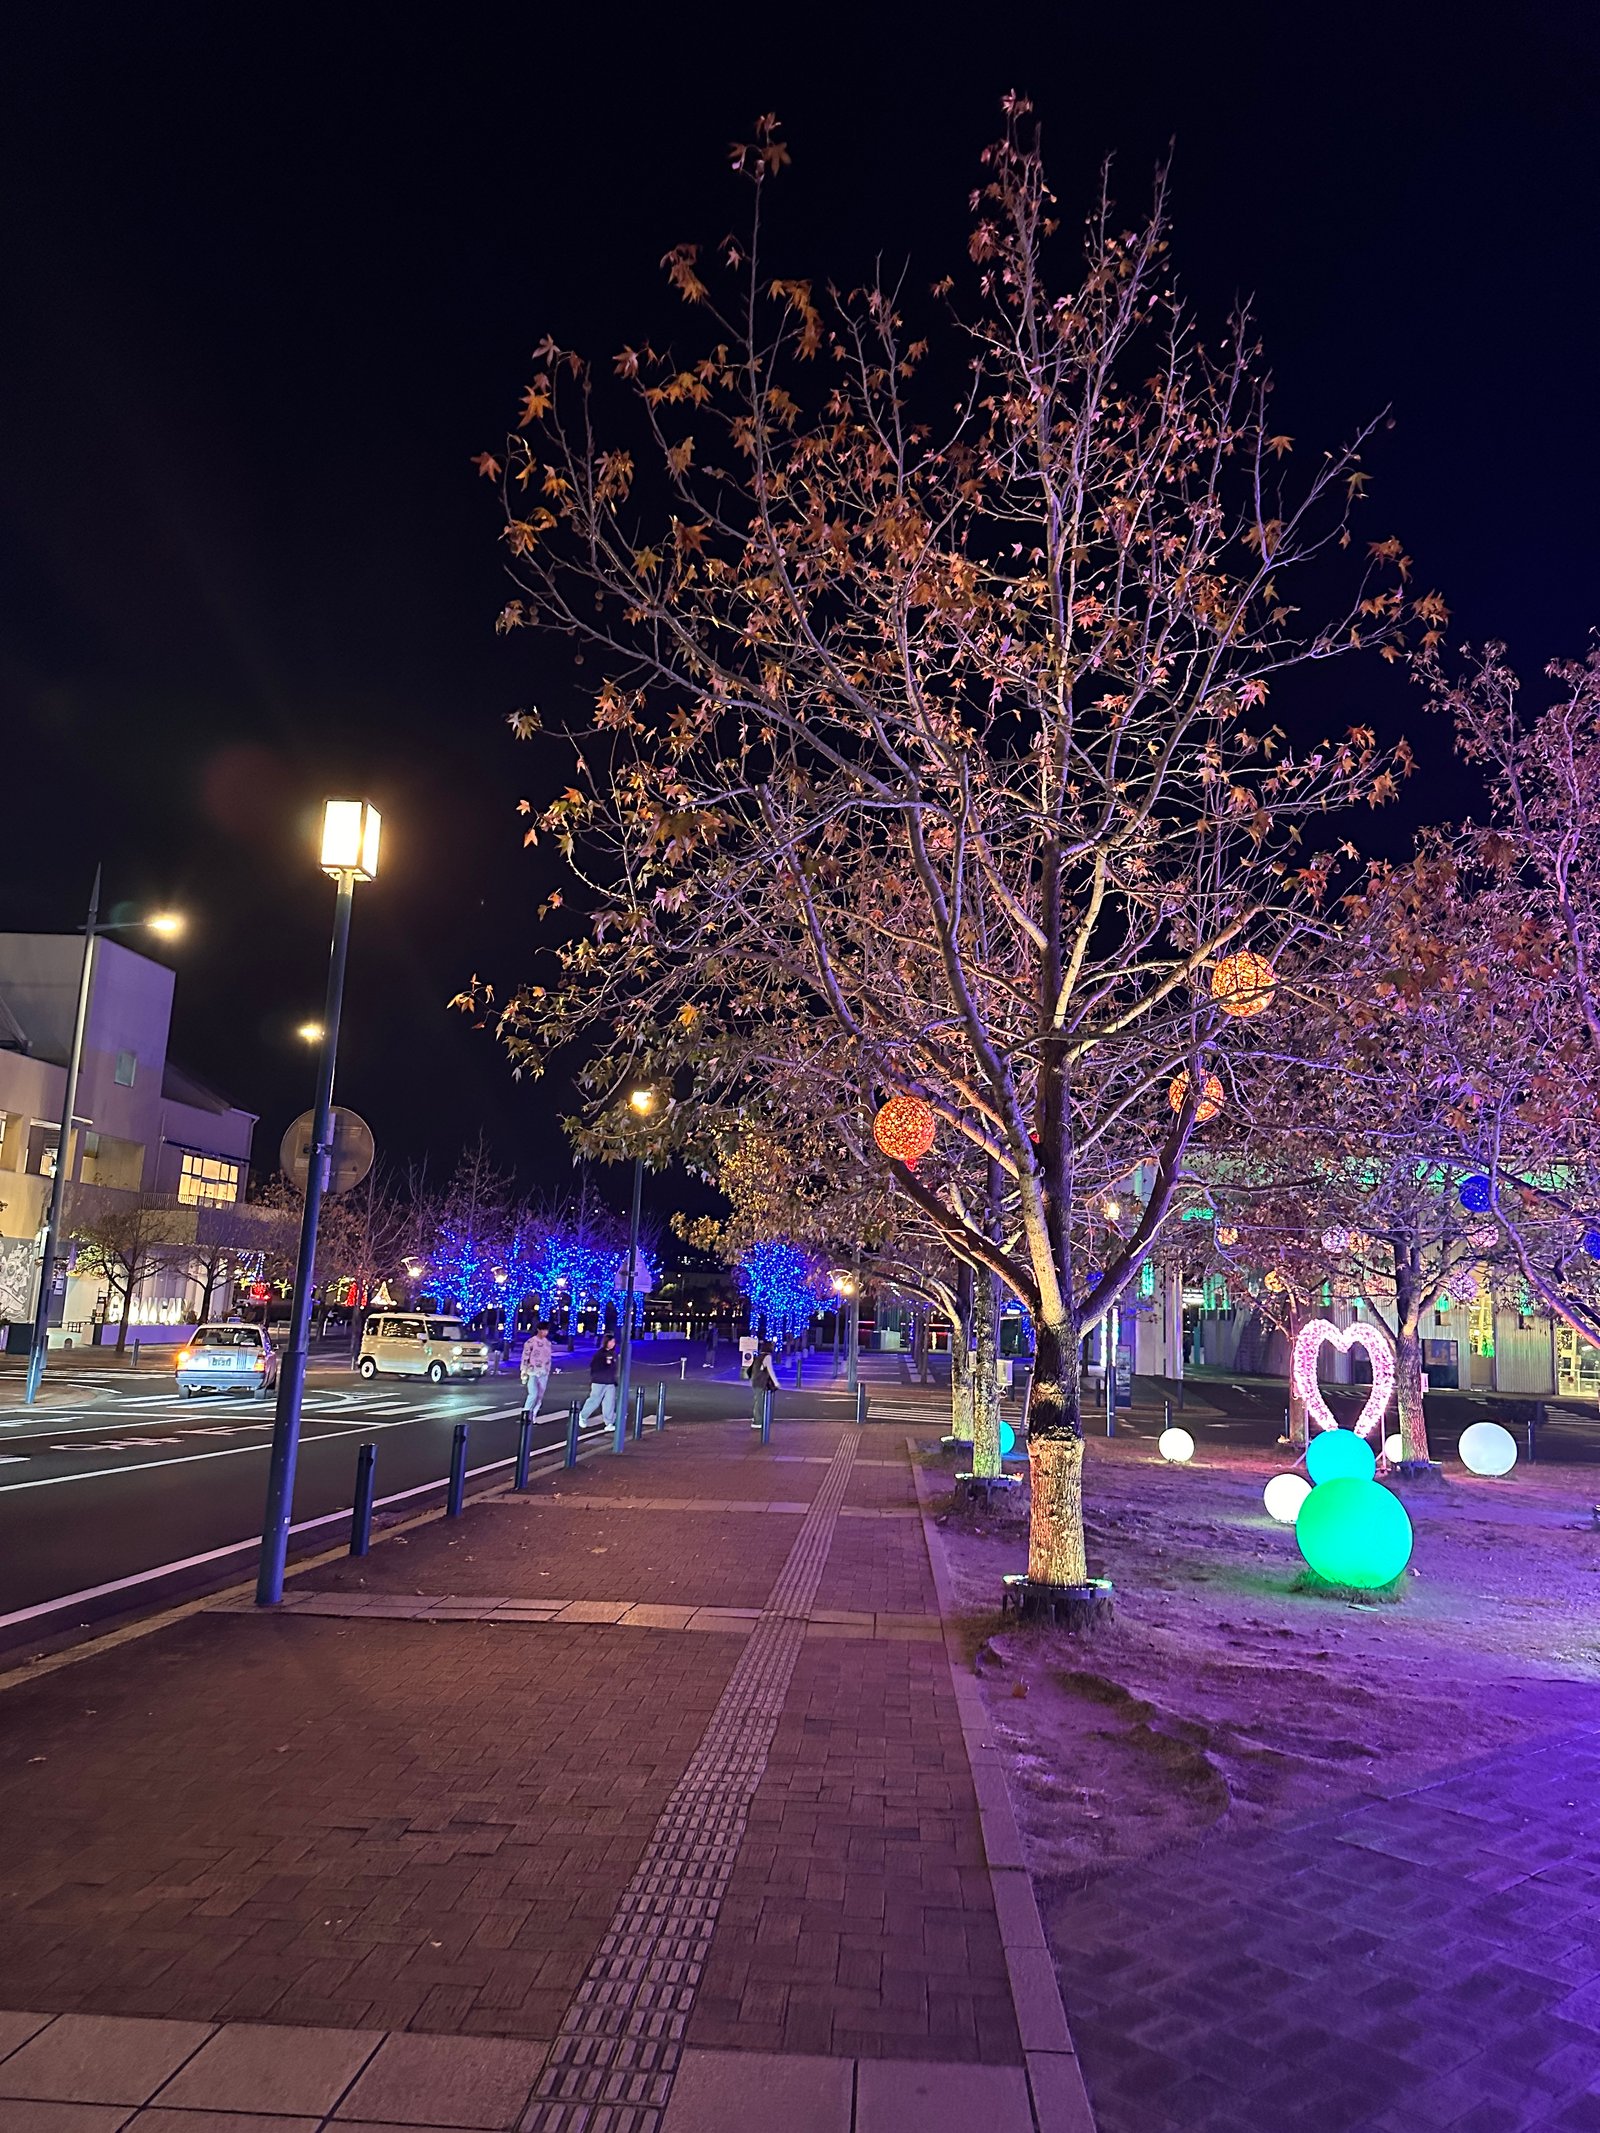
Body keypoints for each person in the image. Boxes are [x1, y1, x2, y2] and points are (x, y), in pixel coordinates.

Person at [578, 1335, 619, 1431]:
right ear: (606, 1342)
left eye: (614, 1342)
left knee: (609, 1402)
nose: (613, 1344)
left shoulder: (612, 1353)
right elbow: (594, 1368)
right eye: (611, 1342)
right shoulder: (600, 1354)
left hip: (610, 1382)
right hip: (599, 1382)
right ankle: (583, 1416)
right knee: (594, 1401)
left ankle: (609, 1423)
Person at [519, 1320, 554, 1416]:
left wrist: (548, 1370)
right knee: (533, 1394)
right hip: (532, 1371)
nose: (545, 1332)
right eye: (543, 1330)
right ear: (538, 1330)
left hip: (543, 1372)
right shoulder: (530, 1342)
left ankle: (533, 1415)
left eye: (546, 1330)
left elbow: (549, 1358)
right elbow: (525, 1357)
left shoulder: (547, 1343)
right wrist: (523, 1370)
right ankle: (526, 1413)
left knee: (539, 1396)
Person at [749, 1337, 779, 1427]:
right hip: (761, 1381)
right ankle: (757, 1421)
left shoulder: (759, 1356)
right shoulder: (767, 1357)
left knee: (758, 1400)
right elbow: (770, 1370)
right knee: (760, 1401)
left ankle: (757, 1418)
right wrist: (776, 1382)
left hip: (755, 1381)